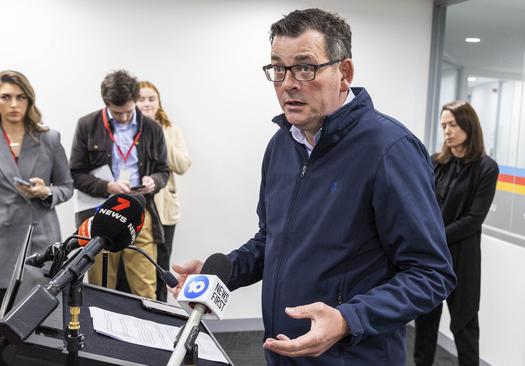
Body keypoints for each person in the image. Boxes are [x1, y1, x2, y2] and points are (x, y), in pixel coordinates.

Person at [172, 8, 456, 365]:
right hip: (283, 352)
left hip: (354, 357)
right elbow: (272, 239)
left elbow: (431, 274)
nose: (289, 83)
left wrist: (347, 319)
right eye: (278, 68)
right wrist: (220, 273)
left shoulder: (389, 149)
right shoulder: (282, 145)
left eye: (305, 67)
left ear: (344, 73)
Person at [69, 70, 169, 300]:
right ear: (106, 104)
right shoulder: (87, 125)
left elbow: (164, 171)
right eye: (117, 113)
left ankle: (147, 332)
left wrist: (154, 181)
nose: (124, 118)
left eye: (128, 111)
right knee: (100, 285)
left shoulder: (152, 129)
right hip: (101, 212)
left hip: (139, 209)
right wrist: (107, 186)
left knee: (145, 285)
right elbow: (75, 173)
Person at [413, 101, 499, 366]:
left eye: (453, 124)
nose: (447, 131)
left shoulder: (486, 168)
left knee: (464, 328)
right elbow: (421, 206)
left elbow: (473, 220)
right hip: (431, 259)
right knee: (425, 326)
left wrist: (432, 237)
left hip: (463, 258)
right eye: (443, 126)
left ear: (468, 126)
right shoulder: (435, 163)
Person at [0, 70, 73, 302]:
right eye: (5, 97)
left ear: (29, 100)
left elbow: (67, 186)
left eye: (21, 97)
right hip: (3, 240)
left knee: (37, 320)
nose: (14, 104)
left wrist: (46, 191)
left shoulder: (49, 138)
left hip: (40, 240)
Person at [136, 81, 191, 302]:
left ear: (159, 102)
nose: (146, 103)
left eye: (151, 99)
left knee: (161, 264)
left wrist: (159, 132)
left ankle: (159, 310)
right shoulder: (126, 129)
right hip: (138, 208)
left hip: (164, 209)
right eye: (141, 99)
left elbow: (182, 165)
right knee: (137, 264)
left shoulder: (171, 130)